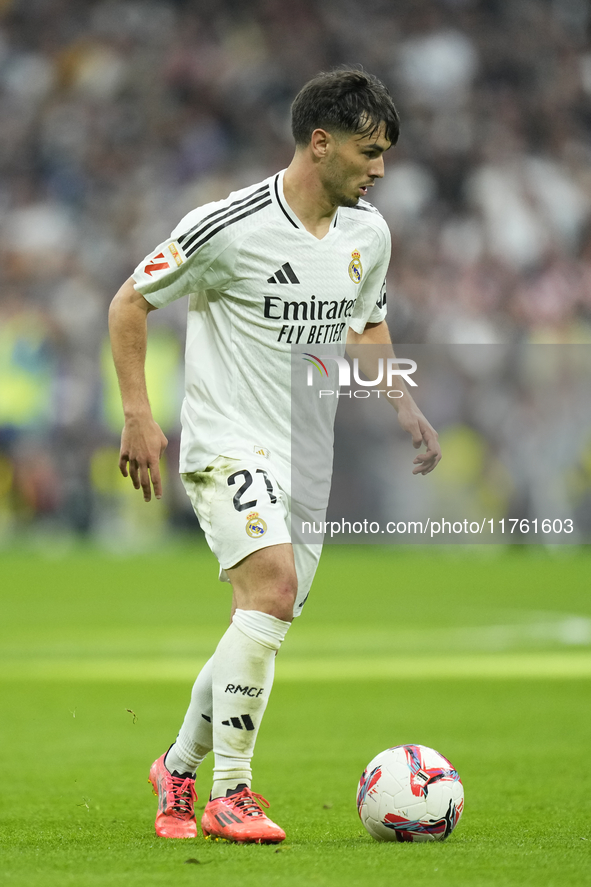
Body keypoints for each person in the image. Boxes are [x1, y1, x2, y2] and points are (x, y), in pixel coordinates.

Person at [108, 68, 441, 844]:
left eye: (385, 153)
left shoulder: (369, 234)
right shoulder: (227, 225)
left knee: (262, 616)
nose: (380, 168)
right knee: (273, 587)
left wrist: (403, 402)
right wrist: (137, 413)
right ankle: (233, 790)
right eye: (368, 151)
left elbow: (364, 325)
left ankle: (179, 767)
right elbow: (130, 300)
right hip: (226, 442)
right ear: (318, 142)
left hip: (306, 457)